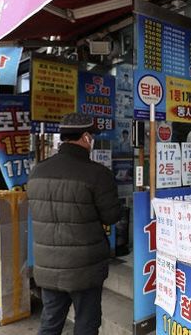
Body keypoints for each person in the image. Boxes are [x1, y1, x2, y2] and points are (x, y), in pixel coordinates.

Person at [28, 113, 121, 335]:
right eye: (92, 136)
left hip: (48, 264)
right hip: (85, 267)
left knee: (50, 323)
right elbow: (111, 216)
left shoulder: (37, 171)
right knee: (86, 324)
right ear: (86, 137)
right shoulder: (98, 174)